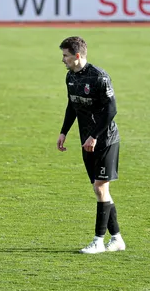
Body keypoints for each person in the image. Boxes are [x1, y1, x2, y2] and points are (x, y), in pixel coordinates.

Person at [57, 36, 125, 254]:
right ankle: (117, 239)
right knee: (100, 190)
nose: (63, 60)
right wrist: (64, 131)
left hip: (105, 140)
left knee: (100, 188)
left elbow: (112, 109)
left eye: (66, 56)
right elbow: (72, 106)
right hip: (86, 141)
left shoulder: (99, 77)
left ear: (77, 55)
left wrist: (94, 136)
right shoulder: (70, 77)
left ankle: (98, 241)